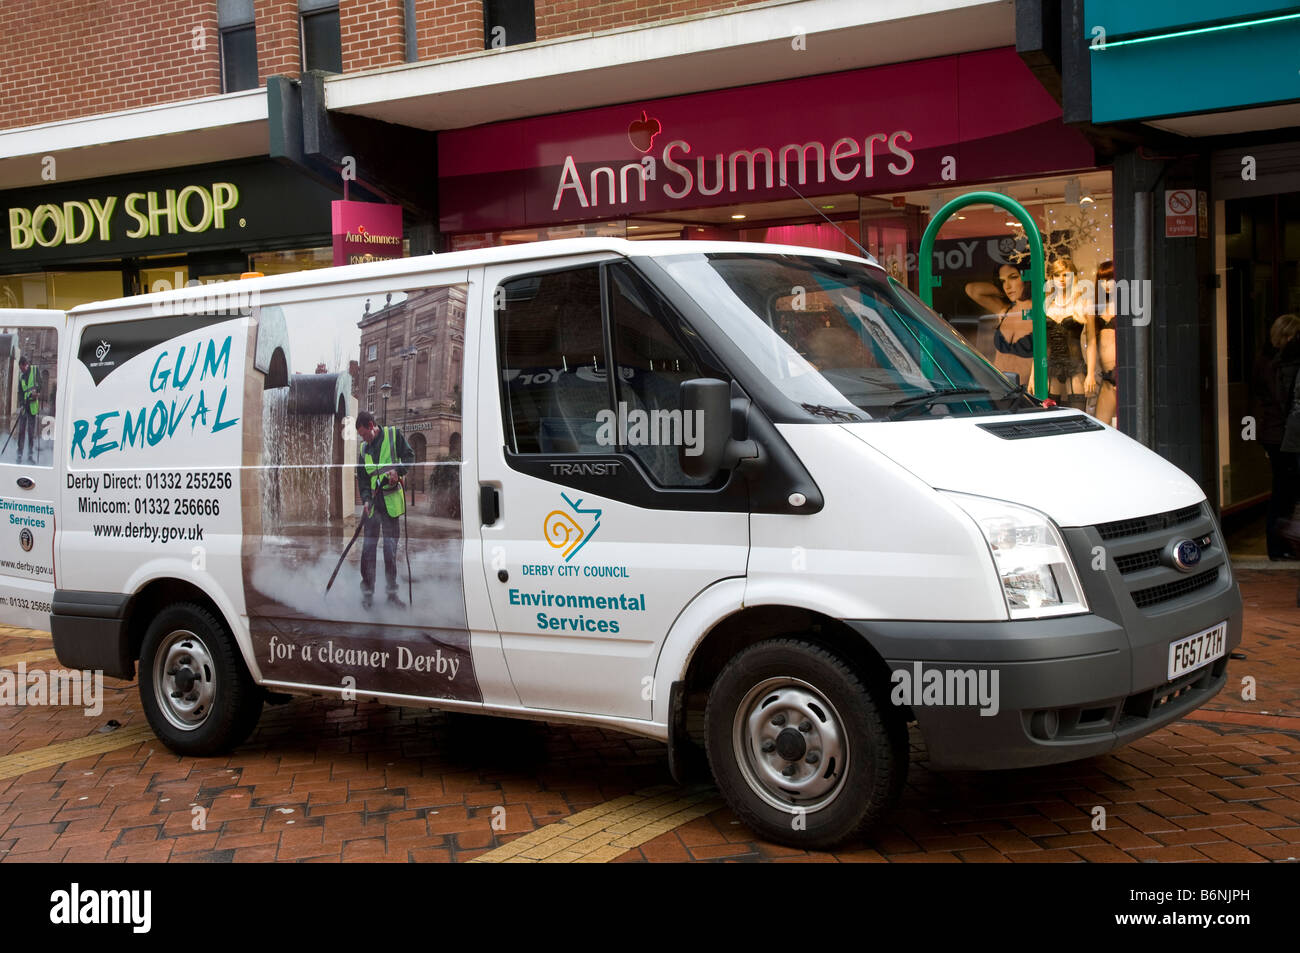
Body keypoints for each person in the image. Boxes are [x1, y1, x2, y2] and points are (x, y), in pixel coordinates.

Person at [1250, 313, 1300, 560]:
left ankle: (1278, 545)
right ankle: (1279, 546)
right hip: (1281, 434)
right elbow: (1283, 401)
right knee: (1284, 493)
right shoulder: (1279, 363)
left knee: (1282, 491)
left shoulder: (1263, 360)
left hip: (1273, 433)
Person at [355, 409, 414, 607]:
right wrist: (364, 499)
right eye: (360, 436)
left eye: (364, 434)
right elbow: (363, 479)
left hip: (390, 504)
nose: (363, 439)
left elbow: (409, 456)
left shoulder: (393, 435)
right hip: (372, 506)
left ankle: (391, 595)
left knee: (389, 551)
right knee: (368, 551)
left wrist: (399, 471)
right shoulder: (364, 449)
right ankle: (367, 595)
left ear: (372, 426)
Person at [965, 263, 1034, 391]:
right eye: (1003, 281)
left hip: (1027, 390)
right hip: (999, 388)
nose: (1007, 286)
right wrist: (1003, 289)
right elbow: (972, 290)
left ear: (1026, 277)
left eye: (1013, 277)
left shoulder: (1039, 310)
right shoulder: (1004, 311)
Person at [1044, 254, 1095, 410]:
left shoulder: (1084, 302)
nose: (1061, 279)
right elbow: (1042, 345)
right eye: (1057, 275)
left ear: (1073, 277)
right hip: (1051, 367)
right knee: (1050, 416)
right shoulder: (1046, 304)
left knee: (1079, 414)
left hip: (1075, 365)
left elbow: (1092, 340)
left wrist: (1091, 373)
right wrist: (1034, 375)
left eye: (1065, 275)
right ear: (1051, 278)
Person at [1093, 260, 1118, 426]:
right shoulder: (1099, 307)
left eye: (1111, 279)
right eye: (1102, 281)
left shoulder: (1126, 305)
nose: (1106, 285)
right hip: (1106, 376)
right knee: (1102, 425)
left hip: (1121, 371)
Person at [15, 355, 39, 463]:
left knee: (30, 432)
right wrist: (21, 404)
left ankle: (30, 456)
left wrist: (37, 393)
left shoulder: (35, 371)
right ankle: (19, 455)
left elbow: (41, 384)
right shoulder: (21, 377)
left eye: (22, 368)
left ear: (26, 364)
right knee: (21, 432)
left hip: (32, 407)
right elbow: (20, 392)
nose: (21, 370)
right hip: (24, 407)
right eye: (20, 369)